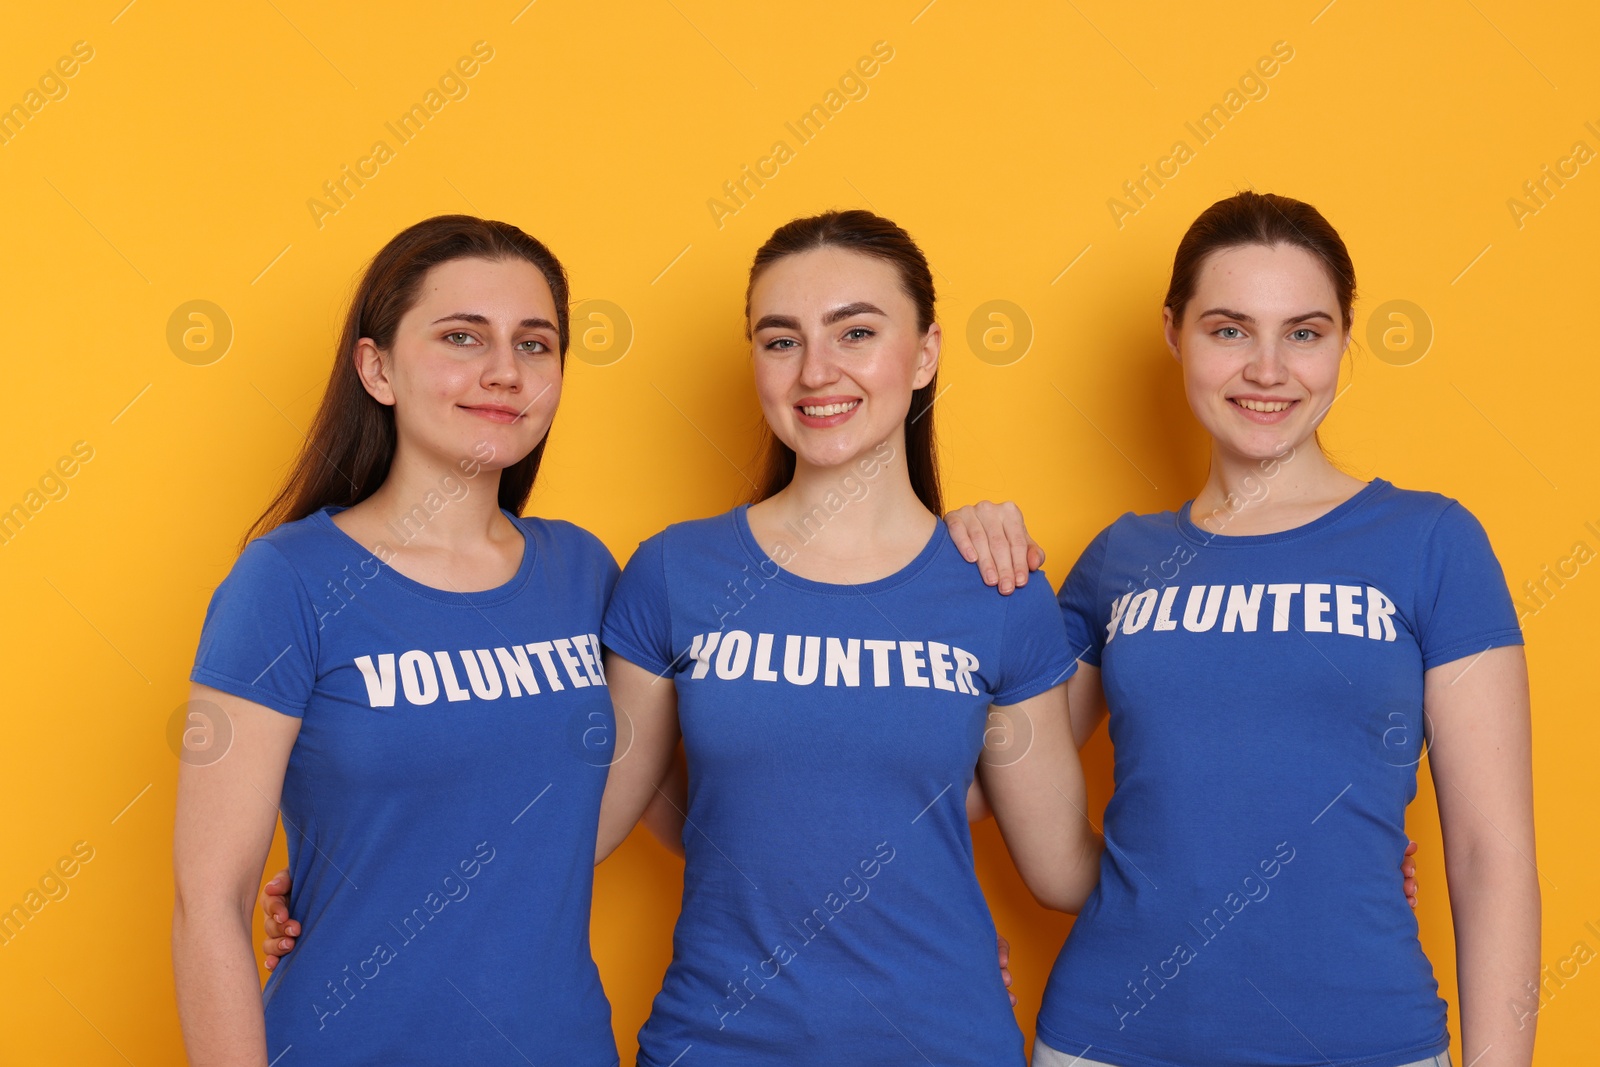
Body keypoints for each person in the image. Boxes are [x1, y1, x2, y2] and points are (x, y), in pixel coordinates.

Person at [946, 191, 1538, 1067]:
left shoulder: (1433, 541)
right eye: (1229, 329)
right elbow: (961, 789)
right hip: (1108, 1038)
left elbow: (1492, 855)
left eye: (1304, 332)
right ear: (1174, 332)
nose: (1268, 368)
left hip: (1367, 1039)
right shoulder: (1118, 559)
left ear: (1344, 340)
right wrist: (946, 576)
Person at [597, 208, 1101, 1065]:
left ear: (928, 351)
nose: (815, 372)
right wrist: (351, 886)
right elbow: (600, 823)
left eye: (856, 331)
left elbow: (1061, 871)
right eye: (780, 339)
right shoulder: (674, 573)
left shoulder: (998, 589)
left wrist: (1308, 867)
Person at [172, 215, 629, 1066]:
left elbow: (600, 807)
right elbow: (211, 899)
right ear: (376, 366)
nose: (504, 370)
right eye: (462, 336)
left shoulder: (585, 573)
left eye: (536, 344)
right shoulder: (287, 582)